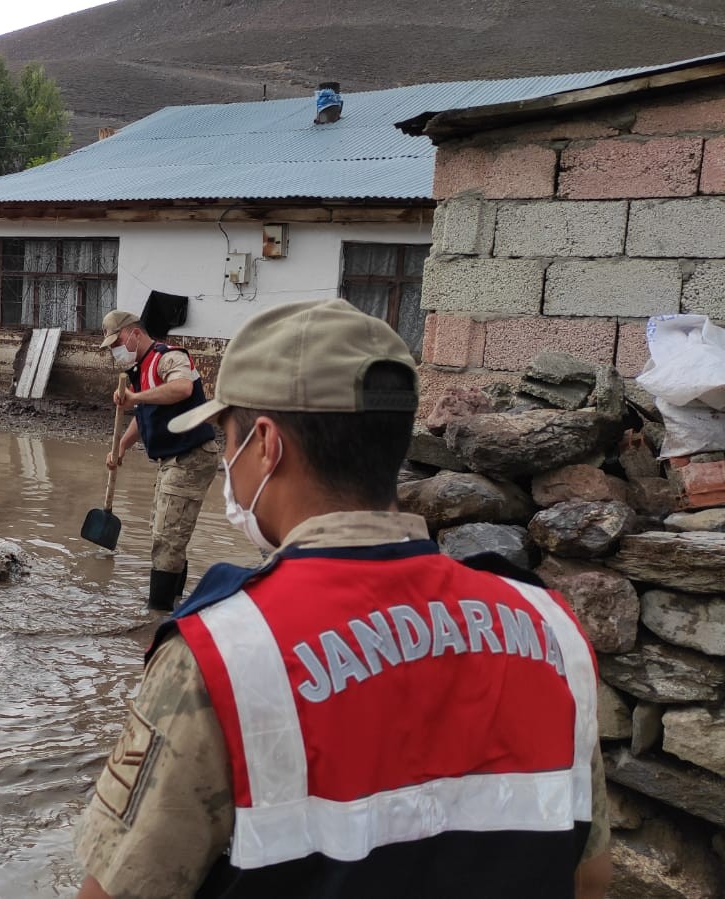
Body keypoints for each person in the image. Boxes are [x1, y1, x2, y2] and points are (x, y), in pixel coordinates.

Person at [74, 299, 610, 899]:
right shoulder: (552, 627)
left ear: (266, 446)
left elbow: (120, 888)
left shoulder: (223, 653)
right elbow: (589, 877)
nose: (226, 460)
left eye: (229, 439)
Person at [100, 310, 220, 611]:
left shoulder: (168, 357)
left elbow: (182, 389)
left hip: (190, 456)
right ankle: (175, 607)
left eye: (118, 342)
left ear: (135, 334)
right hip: (172, 460)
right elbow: (144, 419)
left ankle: (156, 618)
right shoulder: (139, 371)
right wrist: (121, 446)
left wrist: (135, 398)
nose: (116, 350)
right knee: (166, 532)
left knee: (166, 538)